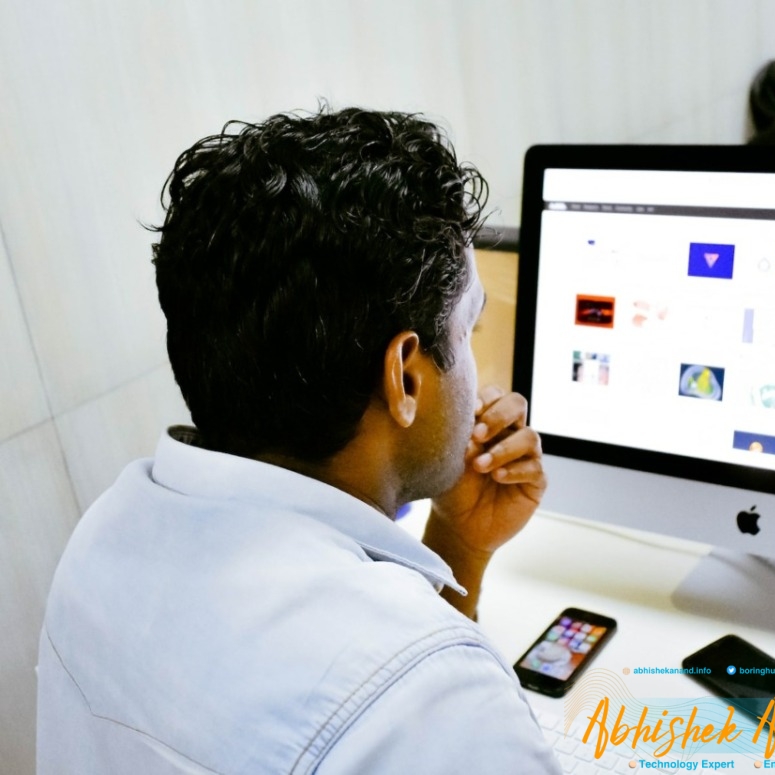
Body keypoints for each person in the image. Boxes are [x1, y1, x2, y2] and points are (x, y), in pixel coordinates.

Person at [36, 107, 561, 774]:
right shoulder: (437, 695)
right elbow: (400, 692)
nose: (477, 373)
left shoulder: (101, 541)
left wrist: (460, 544)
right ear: (404, 375)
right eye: (468, 332)